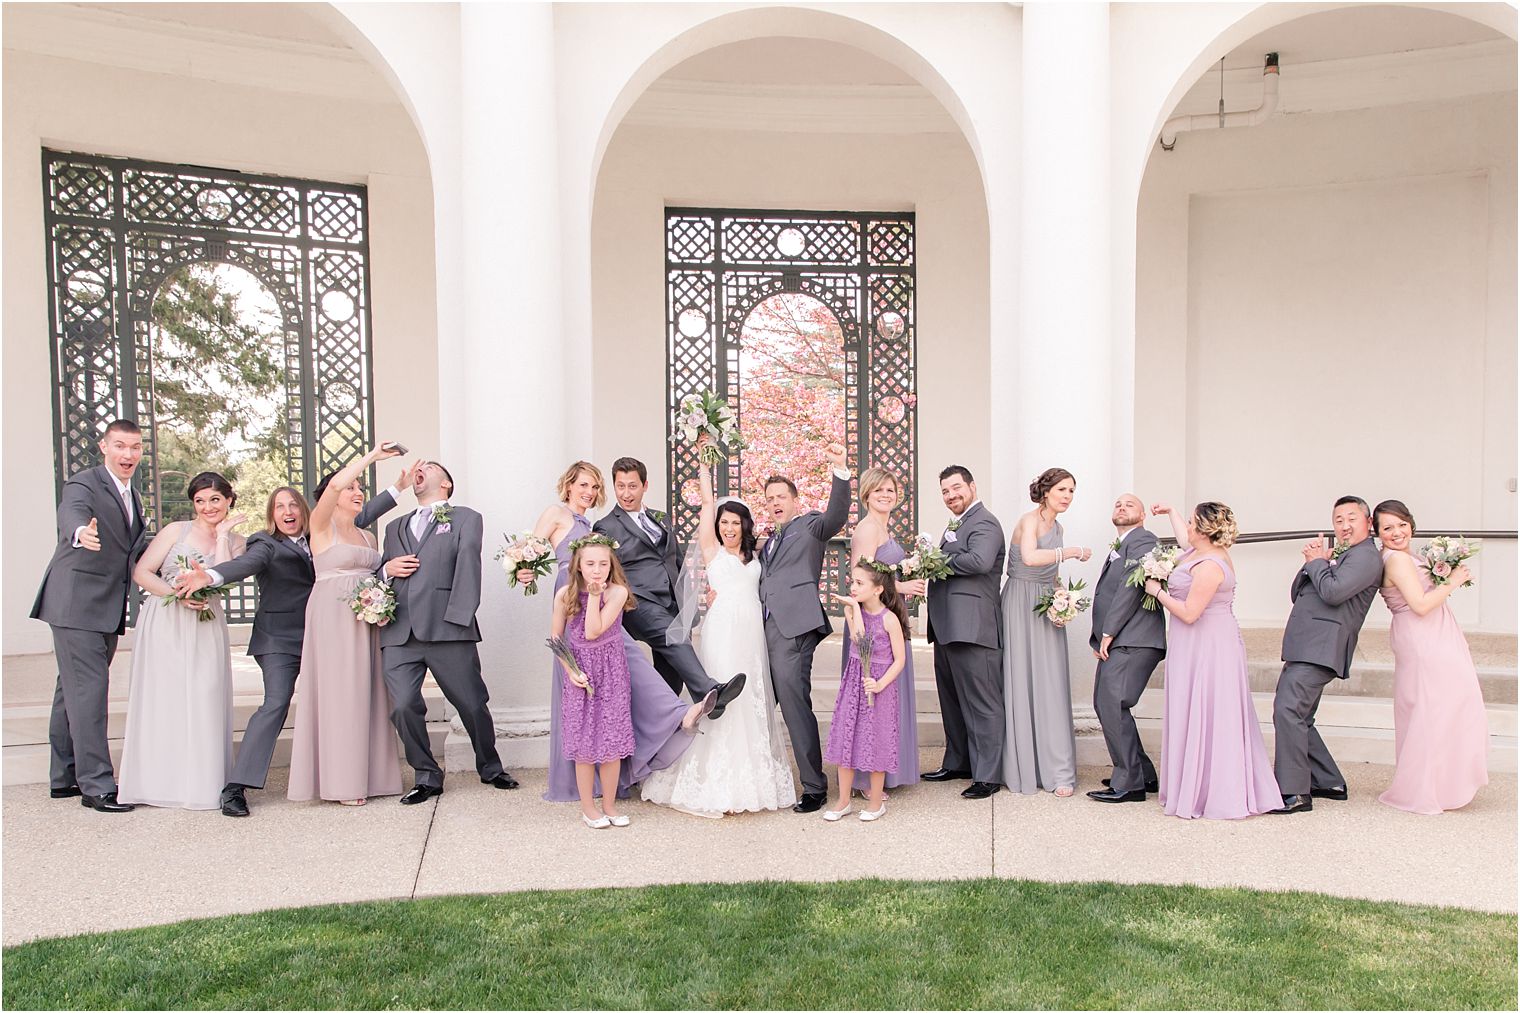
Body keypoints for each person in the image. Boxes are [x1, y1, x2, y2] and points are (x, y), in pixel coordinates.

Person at [526, 461, 707, 803]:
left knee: (620, 673)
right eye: (583, 485)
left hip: (597, 600)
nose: (589, 493)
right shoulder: (556, 514)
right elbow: (528, 554)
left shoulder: (592, 525)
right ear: (568, 485)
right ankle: (674, 715)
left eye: (594, 487)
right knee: (591, 681)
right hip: (570, 599)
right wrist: (525, 573)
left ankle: (631, 756)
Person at [639, 451, 796, 817]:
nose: (728, 528)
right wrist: (706, 464)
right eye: (723, 522)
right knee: (721, 692)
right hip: (722, 628)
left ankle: (753, 776)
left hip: (752, 632)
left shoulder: (757, 554)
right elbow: (707, 503)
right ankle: (710, 777)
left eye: (734, 523)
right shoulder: (711, 553)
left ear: (744, 526)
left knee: (752, 696)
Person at [357, 455, 518, 803]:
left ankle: (490, 767)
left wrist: (460, 617)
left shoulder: (465, 518)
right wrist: (387, 571)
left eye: (429, 466)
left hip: (448, 628)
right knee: (402, 706)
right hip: (399, 632)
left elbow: (468, 565)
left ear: (445, 483)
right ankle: (427, 774)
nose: (421, 469)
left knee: (472, 704)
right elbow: (379, 563)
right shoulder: (394, 527)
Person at [175, 487, 316, 817]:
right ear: (272, 514)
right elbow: (246, 564)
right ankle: (236, 787)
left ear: (304, 510)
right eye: (279, 506)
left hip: (320, 636)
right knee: (276, 703)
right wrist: (209, 575)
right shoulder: (264, 542)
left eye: (293, 504)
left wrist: (396, 491)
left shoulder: (319, 538)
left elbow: (360, 518)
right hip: (278, 639)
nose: (287, 511)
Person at [32, 418, 149, 813]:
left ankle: (63, 776)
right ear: (104, 447)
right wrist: (80, 532)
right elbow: (73, 513)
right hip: (76, 603)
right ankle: (97, 786)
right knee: (89, 691)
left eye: (134, 447)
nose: (128, 454)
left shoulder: (133, 495)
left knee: (72, 691)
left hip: (105, 606)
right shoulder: (85, 482)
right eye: (120, 446)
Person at [118, 472, 245, 810]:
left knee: (205, 693)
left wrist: (222, 535)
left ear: (229, 500)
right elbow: (142, 572)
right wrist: (177, 594)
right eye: (200, 501)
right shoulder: (176, 531)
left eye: (215, 499)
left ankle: (201, 784)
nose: (208, 507)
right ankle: (160, 782)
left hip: (206, 620)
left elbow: (225, 573)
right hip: (167, 617)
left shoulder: (237, 541)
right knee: (167, 695)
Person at [1145, 501, 1280, 819]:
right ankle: (1193, 783)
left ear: (1204, 530)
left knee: (1211, 709)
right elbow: (1182, 540)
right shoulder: (1196, 551)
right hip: (1191, 644)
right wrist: (1172, 513)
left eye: (1192, 523)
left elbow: (1191, 613)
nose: (1187, 528)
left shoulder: (1210, 565)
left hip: (1210, 644)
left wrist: (1158, 592)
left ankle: (1214, 791)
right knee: (1193, 705)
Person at [287, 446, 403, 805]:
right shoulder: (320, 527)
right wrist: (371, 458)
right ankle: (341, 782)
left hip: (367, 619)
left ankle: (372, 776)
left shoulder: (367, 536)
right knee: (340, 694)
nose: (357, 494)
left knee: (368, 692)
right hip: (333, 617)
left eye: (360, 490)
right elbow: (336, 486)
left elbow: (375, 572)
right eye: (352, 488)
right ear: (332, 497)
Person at [593, 456, 744, 710]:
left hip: (671, 601)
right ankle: (710, 692)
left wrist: (688, 601)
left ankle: (651, 734)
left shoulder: (660, 518)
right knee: (674, 639)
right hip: (638, 602)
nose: (626, 493)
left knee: (670, 678)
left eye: (632, 486)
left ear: (645, 485)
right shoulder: (605, 527)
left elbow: (676, 561)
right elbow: (602, 569)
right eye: (620, 486)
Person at [1372, 500, 1489, 814]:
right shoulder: (1396, 559)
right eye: (1387, 528)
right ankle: (1426, 788)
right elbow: (1420, 605)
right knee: (1433, 708)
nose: (1396, 532)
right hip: (1423, 637)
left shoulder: (1409, 555)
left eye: (1401, 524)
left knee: (1441, 707)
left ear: (1410, 523)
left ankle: (1441, 783)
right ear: (1378, 533)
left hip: (1434, 633)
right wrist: (1453, 580)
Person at [1270, 495, 1384, 814]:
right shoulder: (1342, 555)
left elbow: (1333, 593)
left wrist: (1318, 563)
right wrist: (1317, 562)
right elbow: (1298, 593)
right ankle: (1327, 780)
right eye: (1338, 520)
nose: (1344, 526)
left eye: (1351, 518)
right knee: (1299, 715)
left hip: (1321, 646)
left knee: (1287, 710)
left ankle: (1294, 792)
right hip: (1308, 643)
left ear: (1368, 523)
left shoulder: (1365, 557)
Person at [757, 441, 853, 814]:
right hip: (762, 630)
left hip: (794, 629)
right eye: (770, 498)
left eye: (782, 496)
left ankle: (814, 787)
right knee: (763, 708)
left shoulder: (810, 526)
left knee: (795, 707)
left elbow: (836, 515)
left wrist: (840, 470)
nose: (776, 502)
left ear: (795, 500)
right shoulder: (768, 540)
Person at [1002, 468, 1091, 797]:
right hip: (1019, 602)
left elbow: (1051, 571)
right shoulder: (1029, 520)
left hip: (1044, 602)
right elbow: (1029, 556)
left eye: (1072, 491)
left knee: (1051, 682)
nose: (1067, 496)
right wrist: (1070, 552)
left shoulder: (1059, 526)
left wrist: (1062, 599)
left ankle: (1057, 769)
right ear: (1046, 491)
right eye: (1063, 490)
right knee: (1022, 678)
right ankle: (1024, 765)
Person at [924, 465, 1006, 800]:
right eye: (945, 491)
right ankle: (959, 761)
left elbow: (980, 562)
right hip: (947, 627)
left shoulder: (985, 521)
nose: (951, 495)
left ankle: (988, 775)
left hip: (973, 626)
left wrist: (934, 559)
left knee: (982, 702)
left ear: (972, 486)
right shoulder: (957, 524)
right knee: (953, 700)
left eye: (956, 488)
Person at [551, 535, 638, 828]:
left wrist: (596, 595)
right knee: (585, 742)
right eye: (590, 564)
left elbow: (593, 631)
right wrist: (570, 671)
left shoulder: (618, 593)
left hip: (611, 672)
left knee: (611, 740)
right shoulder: (564, 595)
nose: (597, 570)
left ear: (611, 565)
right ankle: (589, 808)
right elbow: (556, 639)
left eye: (603, 563)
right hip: (581, 673)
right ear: (578, 566)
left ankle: (610, 806)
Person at [845, 466, 923, 789]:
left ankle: (885, 771)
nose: (885, 495)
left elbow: (883, 574)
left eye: (890, 490)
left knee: (888, 696)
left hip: (890, 614)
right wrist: (902, 588)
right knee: (872, 701)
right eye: (879, 490)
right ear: (866, 495)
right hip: (874, 622)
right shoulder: (866, 529)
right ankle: (866, 778)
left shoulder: (883, 527)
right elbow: (860, 580)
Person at [1087, 493, 1166, 803]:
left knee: (1112, 701)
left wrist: (1108, 631)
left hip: (1135, 637)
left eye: (1129, 504)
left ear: (1143, 515)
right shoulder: (1123, 544)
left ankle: (1130, 783)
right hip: (1122, 638)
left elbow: (1130, 588)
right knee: (1105, 702)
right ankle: (1141, 774)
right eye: (1117, 504)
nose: (1121, 507)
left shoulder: (1144, 539)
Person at [823, 561, 909, 822]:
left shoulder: (889, 619)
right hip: (855, 682)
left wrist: (881, 684)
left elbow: (900, 660)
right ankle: (843, 800)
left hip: (879, 686)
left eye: (860, 583)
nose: (853, 586)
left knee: (877, 740)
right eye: (853, 581)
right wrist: (852, 609)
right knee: (847, 736)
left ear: (878, 589)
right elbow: (860, 640)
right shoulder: (856, 611)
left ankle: (875, 803)